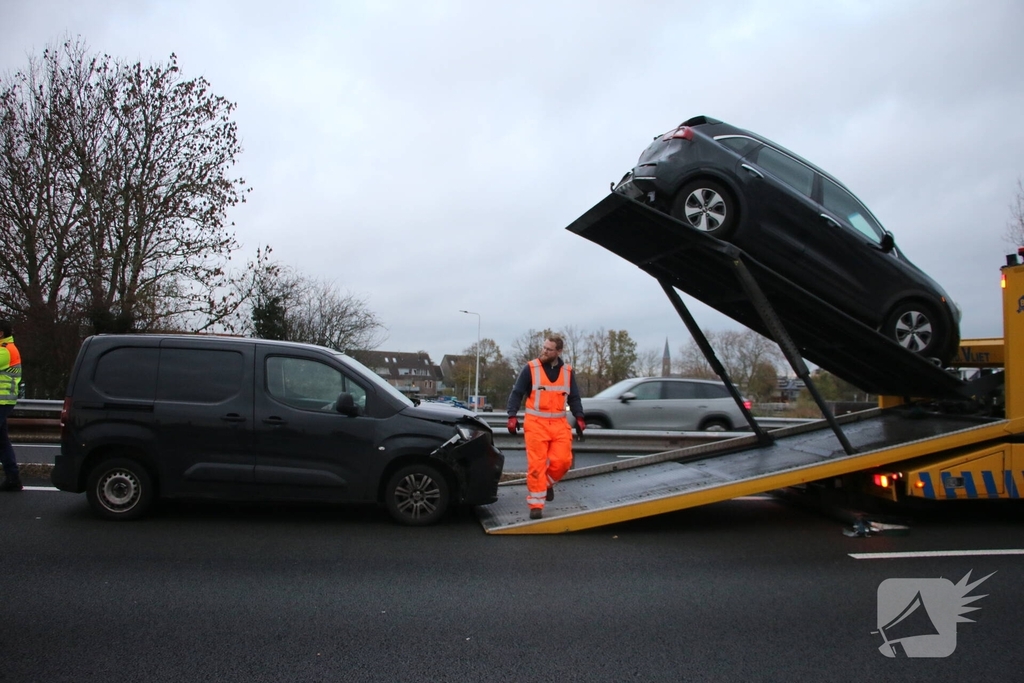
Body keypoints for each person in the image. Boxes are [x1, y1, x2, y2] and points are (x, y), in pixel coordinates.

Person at [506, 335, 585, 519]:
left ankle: (547, 485)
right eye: (544, 347)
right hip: (535, 424)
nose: (544, 351)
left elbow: (574, 397)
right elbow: (517, 393)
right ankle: (536, 505)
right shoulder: (531, 368)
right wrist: (511, 415)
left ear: (558, 351)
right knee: (536, 466)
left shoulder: (567, 372)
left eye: (549, 349)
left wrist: (579, 417)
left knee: (564, 461)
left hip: (559, 424)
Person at [0, 318, 23, 492]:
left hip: (2, 400)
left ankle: (13, 477)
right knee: (2, 441)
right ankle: (13, 478)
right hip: (4, 401)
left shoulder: (5, 351)